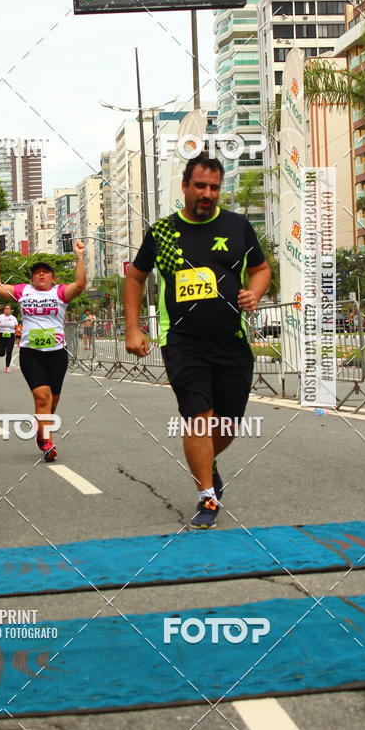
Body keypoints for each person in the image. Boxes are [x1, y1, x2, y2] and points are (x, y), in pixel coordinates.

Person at [124, 153, 271, 529]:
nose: (207, 194)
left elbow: (261, 269)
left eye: (214, 188)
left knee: (228, 425)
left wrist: (254, 292)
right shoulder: (163, 232)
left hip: (231, 340)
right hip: (182, 341)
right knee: (199, 418)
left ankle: (207, 461)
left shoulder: (238, 226)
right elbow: (136, 277)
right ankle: (207, 496)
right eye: (201, 186)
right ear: (185, 186)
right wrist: (133, 329)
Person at [0, 242, 86, 461]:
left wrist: (79, 256)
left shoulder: (60, 292)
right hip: (31, 354)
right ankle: (48, 443)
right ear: (32, 278)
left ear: (53, 278)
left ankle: (42, 430)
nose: (41, 274)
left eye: (45, 272)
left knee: (53, 401)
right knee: (42, 398)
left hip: (57, 354)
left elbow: (80, 284)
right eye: (37, 272)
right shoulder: (23, 291)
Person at [0, 305, 18, 372]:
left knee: (9, 352)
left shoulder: (13, 318)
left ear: (10, 310)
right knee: (1, 354)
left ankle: (7, 367)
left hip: (10, 336)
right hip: (1, 335)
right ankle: (3, 350)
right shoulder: (0, 317)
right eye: (6, 309)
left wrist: (16, 333)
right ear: (4, 310)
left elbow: (16, 327)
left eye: (9, 308)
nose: (7, 310)